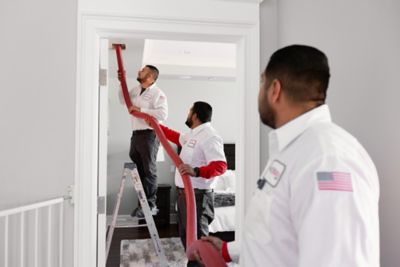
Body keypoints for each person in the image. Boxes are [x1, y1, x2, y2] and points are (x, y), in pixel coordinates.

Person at [198, 45, 380, 266]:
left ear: (274, 89)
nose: (259, 93)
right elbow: (277, 233)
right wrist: (227, 250)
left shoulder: (327, 160)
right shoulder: (294, 150)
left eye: (261, 83)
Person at [158, 101, 227, 267]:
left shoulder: (210, 136)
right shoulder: (192, 135)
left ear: (195, 115)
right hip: (184, 196)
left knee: (198, 240)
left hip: (198, 197)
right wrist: (155, 123)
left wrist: (196, 171)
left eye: (189, 111)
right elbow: (174, 136)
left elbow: (221, 166)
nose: (188, 114)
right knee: (186, 236)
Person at [118, 65, 168, 218]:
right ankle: (142, 204)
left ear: (151, 77)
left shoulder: (158, 93)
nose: (139, 71)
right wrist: (122, 83)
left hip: (150, 135)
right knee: (138, 170)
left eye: (144, 71)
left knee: (149, 170)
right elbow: (123, 100)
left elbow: (163, 114)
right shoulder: (136, 89)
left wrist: (142, 111)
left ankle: (151, 204)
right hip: (136, 134)